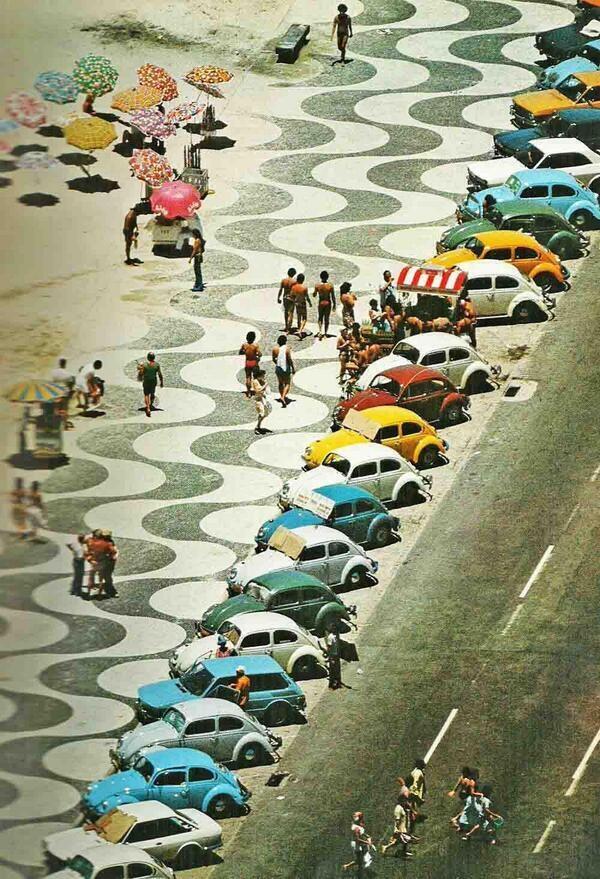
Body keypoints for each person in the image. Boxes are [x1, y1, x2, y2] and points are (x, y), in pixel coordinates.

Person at [137, 352, 164, 417]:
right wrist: (161, 382)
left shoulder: (145, 365)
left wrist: (140, 369)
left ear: (148, 358)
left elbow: (141, 374)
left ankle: (148, 408)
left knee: (146, 394)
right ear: (154, 357)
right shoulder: (157, 365)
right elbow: (160, 374)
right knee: (152, 393)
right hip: (153, 381)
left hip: (146, 381)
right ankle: (151, 404)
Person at [272, 335, 295, 407]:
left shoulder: (275, 349)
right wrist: (293, 368)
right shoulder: (287, 349)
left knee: (280, 383)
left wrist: (277, 363)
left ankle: (282, 395)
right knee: (287, 383)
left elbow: (274, 359)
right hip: (285, 368)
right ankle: (283, 397)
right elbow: (289, 360)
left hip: (278, 368)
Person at [239, 331, 262, 397]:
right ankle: (257, 390)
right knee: (256, 377)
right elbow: (259, 354)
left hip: (248, 362)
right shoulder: (255, 345)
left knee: (248, 377)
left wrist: (245, 352)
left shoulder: (244, 345)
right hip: (254, 362)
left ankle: (248, 392)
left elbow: (240, 352)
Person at [314, 270, 336, 339]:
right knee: (326, 318)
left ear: (320, 277)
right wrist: (334, 304)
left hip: (321, 302)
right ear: (327, 277)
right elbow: (333, 296)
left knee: (320, 317)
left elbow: (314, 295)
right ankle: (326, 333)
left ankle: (320, 331)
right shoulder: (330, 286)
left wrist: (316, 291)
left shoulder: (317, 285)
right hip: (327, 303)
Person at [252, 368, 272, 435]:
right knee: (261, 413)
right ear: (259, 376)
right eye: (262, 375)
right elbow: (258, 390)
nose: (264, 377)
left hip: (263, 398)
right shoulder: (255, 381)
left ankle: (258, 426)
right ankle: (257, 427)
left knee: (265, 414)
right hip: (258, 399)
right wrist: (265, 385)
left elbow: (267, 391)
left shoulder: (262, 381)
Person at [291, 273, 311, 339]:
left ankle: (299, 328)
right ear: (303, 280)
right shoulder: (304, 288)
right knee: (304, 318)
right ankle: (300, 330)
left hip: (297, 303)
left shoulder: (293, 287)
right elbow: (307, 297)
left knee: (298, 317)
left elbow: (292, 296)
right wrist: (310, 303)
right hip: (302, 303)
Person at [277, 267, 297, 333]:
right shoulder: (294, 282)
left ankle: (286, 326)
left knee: (286, 312)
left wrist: (278, 298)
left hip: (285, 297)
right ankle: (289, 327)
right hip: (291, 298)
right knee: (290, 313)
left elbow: (280, 290)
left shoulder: (283, 280)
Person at [325, 623, 342, 689]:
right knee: (333, 670)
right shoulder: (330, 637)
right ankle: (333, 684)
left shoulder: (334, 637)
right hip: (333, 656)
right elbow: (329, 647)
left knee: (336, 669)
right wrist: (330, 658)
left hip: (335, 655)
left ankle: (336, 682)